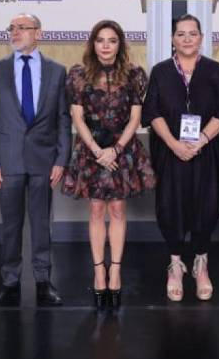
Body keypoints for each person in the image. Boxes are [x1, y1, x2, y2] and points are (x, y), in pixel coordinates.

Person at [0, 13, 72, 309]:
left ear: (38, 33)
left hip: (44, 160)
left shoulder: (57, 71)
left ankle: (44, 282)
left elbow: (63, 119)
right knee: (10, 225)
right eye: (12, 28)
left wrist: (61, 160)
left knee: (42, 223)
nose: (15, 32)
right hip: (7, 162)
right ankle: (10, 283)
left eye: (22, 28)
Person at [62, 20, 156, 309]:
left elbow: (135, 118)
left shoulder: (134, 75)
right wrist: (97, 151)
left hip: (121, 150)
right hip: (91, 149)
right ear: (93, 44)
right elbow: (77, 117)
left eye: (112, 40)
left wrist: (115, 150)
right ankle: (98, 271)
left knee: (116, 209)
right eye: (100, 40)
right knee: (96, 209)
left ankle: (115, 270)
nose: (105, 45)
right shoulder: (78, 75)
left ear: (120, 44)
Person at [143, 14, 219, 302]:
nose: (187, 39)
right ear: (172, 39)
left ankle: (201, 264)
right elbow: (152, 112)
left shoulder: (216, 70)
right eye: (180, 34)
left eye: (193, 33)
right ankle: (176, 265)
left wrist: (201, 140)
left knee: (207, 206)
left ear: (201, 38)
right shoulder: (160, 71)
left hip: (206, 152)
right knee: (171, 207)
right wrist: (174, 144)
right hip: (171, 153)